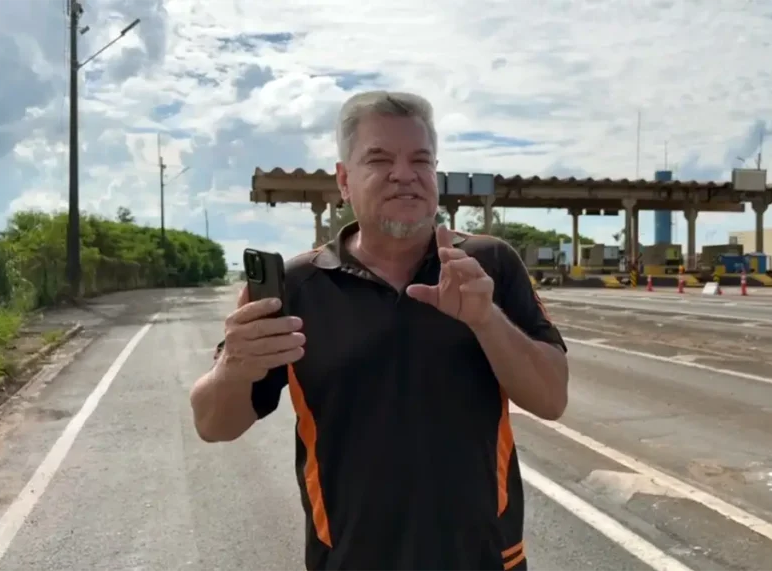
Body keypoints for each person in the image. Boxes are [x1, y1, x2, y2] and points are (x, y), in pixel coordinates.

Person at [189, 90, 570, 571]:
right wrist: (233, 366)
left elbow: (552, 399)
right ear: (344, 181)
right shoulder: (297, 287)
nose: (404, 174)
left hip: (486, 560)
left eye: (420, 160)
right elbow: (213, 425)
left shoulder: (489, 264)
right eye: (379, 159)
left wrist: (486, 319)